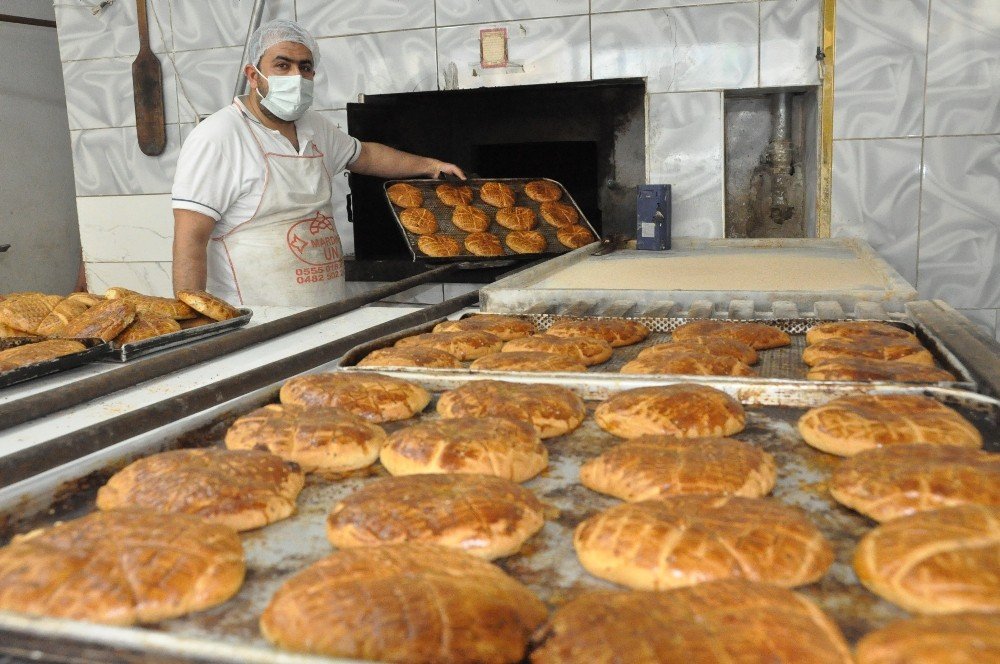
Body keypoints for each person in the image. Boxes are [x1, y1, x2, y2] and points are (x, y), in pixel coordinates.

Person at [171, 19, 464, 307]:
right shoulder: (218, 137)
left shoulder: (314, 127)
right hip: (254, 322)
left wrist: (430, 166)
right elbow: (190, 240)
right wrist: (193, 326)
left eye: (305, 67)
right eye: (282, 65)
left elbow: (367, 156)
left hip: (324, 311)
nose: (296, 76)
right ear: (253, 74)